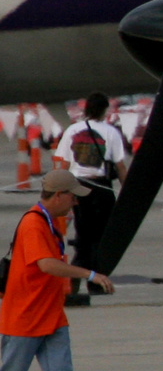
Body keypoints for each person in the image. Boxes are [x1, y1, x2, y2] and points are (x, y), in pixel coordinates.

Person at [0, 170, 113, 371]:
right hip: (25, 319)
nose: (75, 202)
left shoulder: (51, 224)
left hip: (51, 317)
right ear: (59, 195)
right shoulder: (34, 224)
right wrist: (90, 274)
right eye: (72, 196)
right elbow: (47, 265)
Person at [53, 93, 130, 297]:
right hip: (102, 187)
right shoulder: (110, 132)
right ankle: (97, 280)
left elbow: (65, 164)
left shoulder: (72, 130)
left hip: (78, 187)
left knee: (83, 235)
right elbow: (120, 166)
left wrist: (59, 189)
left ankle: (77, 276)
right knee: (103, 237)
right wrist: (128, 192)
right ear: (104, 110)